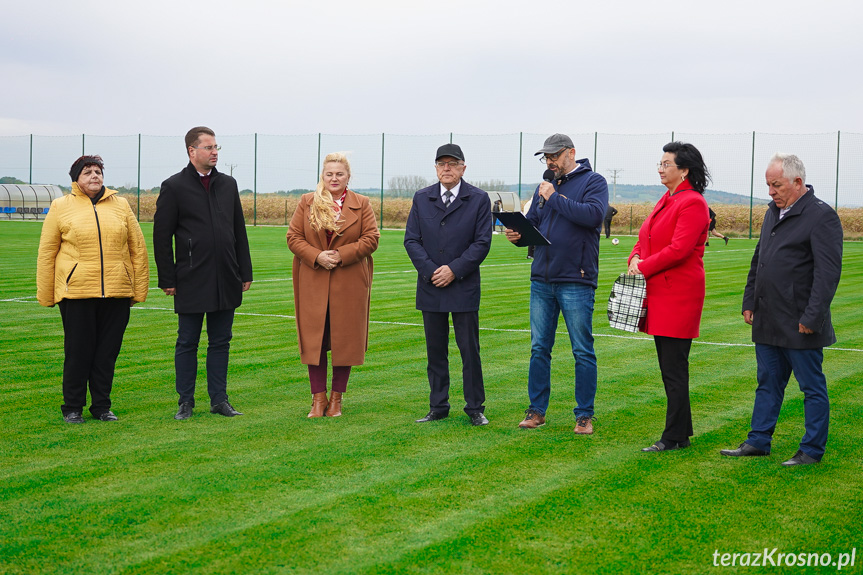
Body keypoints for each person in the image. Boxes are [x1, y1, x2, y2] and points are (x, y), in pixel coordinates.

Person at [720, 153, 842, 466]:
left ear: (797, 182)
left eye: (776, 185)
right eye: (768, 186)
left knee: (811, 387)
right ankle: (758, 441)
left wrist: (812, 317)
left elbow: (827, 274)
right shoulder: (772, 212)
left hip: (800, 321)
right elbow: (760, 259)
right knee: (768, 383)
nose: (771, 192)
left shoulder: (821, 216)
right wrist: (749, 301)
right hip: (768, 318)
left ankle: (811, 450)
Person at [505, 133, 608, 434]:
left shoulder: (594, 182)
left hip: (576, 279)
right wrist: (518, 235)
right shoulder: (545, 186)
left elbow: (592, 216)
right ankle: (537, 411)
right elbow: (535, 225)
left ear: (571, 153)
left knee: (582, 350)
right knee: (539, 348)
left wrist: (555, 197)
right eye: (546, 156)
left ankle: (584, 415)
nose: (549, 161)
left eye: (554, 155)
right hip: (542, 279)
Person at [37, 155, 149, 423]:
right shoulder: (61, 206)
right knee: (78, 353)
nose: (94, 176)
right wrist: (47, 293)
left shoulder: (121, 205)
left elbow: (138, 248)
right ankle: (73, 407)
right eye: (87, 172)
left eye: (98, 171)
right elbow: (47, 251)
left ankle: (101, 406)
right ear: (76, 178)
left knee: (107, 354)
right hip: (77, 293)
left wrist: (138, 290)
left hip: (116, 292)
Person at [153, 126, 253, 420]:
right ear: (191, 151)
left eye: (216, 147)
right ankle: (185, 402)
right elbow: (162, 237)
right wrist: (167, 279)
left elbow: (238, 230)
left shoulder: (228, 184)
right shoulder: (174, 186)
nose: (214, 153)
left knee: (221, 341)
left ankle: (219, 400)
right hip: (191, 278)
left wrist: (244, 270)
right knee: (188, 341)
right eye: (208, 148)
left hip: (226, 277)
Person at [627, 142, 711, 452]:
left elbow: (679, 249)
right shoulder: (669, 198)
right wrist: (635, 258)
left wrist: (643, 267)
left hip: (678, 294)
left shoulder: (692, 203)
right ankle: (680, 432)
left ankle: (674, 437)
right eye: (660, 163)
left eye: (666, 164)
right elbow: (645, 236)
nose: (660, 168)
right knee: (669, 368)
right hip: (660, 291)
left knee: (674, 368)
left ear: (684, 170)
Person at [405, 143, 492, 426]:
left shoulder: (478, 199)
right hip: (431, 286)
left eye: (452, 164)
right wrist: (431, 271)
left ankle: (475, 407)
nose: (447, 168)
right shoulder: (422, 198)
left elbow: (481, 243)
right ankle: (438, 406)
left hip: (462, 285)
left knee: (470, 350)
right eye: (442, 163)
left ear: (463, 168)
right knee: (435, 351)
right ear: (435, 168)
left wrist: (454, 270)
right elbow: (411, 240)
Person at [287, 152, 380, 417]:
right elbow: (293, 237)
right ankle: (318, 399)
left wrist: (341, 255)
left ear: (348, 177)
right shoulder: (306, 202)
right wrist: (316, 256)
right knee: (315, 340)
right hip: (313, 280)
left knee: (345, 339)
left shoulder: (362, 203)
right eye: (329, 174)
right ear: (322, 176)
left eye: (339, 174)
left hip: (349, 281)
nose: (334, 178)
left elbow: (372, 238)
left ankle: (337, 399)